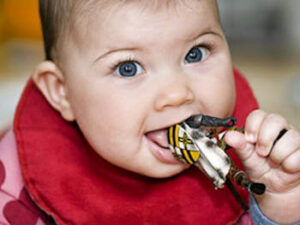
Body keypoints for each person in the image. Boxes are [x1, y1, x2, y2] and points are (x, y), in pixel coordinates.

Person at [0, 0, 299, 224]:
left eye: (196, 53)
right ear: (61, 92)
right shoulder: (14, 189)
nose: (176, 93)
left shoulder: (252, 161)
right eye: (128, 68)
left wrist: (282, 205)